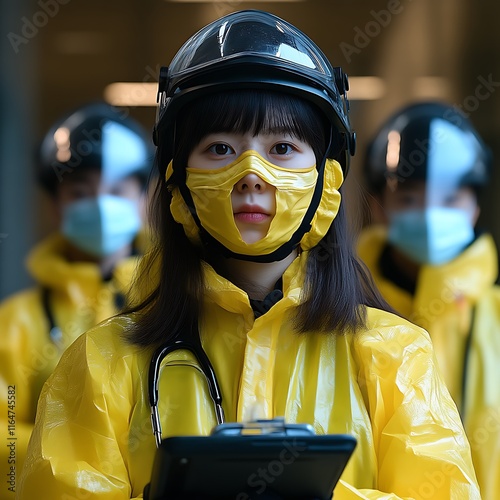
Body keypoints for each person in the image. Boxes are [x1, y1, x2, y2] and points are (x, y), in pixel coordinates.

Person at [18, 12, 480, 499]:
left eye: (282, 147)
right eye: (220, 148)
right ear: (178, 181)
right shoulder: (101, 362)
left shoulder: (397, 356)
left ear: (327, 181)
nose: (251, 174)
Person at [0, 101, 153, 499]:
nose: (101, 206)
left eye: (118, 191)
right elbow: (5, 432)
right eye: (80, 192)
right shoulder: (15, 321)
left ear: (142, 200)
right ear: (56, 205)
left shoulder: (173, 302)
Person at [357, 100, 500, 499]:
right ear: (378, 207)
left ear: (475, 207)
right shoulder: (339, 316)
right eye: (409, 198)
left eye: (450, 199)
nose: (431, 214)